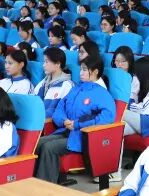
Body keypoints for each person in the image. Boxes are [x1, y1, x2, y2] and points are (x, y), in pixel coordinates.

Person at [34, 54, 116, 185]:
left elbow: (107, 117)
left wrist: (77, 124)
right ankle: (32, 184)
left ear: (95, 72)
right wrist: (63, 120)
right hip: (66, 131)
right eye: (81, 69)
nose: (80, 73)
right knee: (37, 143)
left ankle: (45, 187)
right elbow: (60, 107)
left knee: (49, 147)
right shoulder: (76, 88)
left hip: (83, 137)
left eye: (85, 69)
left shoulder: (102, 93)